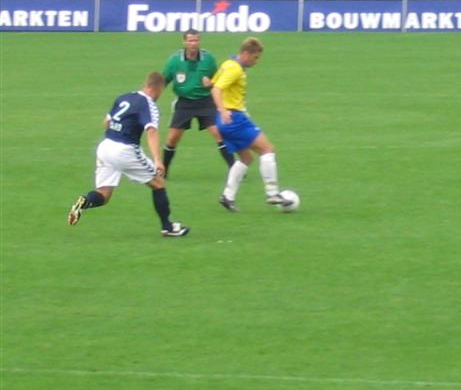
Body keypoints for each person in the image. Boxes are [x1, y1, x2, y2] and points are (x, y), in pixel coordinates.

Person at [67, 71, 190, 237]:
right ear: (159, 88)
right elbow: (151, 131)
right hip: (124, 150)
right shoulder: (149, 105)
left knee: (104, 194)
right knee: (158, 183)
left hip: (105, 146)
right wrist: (157, 160)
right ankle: (168, 227)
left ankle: (84, 202)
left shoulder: (123, 97)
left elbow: (106, 121)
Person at [212, 38, 293, 212]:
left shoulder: (228, 63)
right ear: (246, 53)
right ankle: (272, 193)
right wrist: (224, 109)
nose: (257, 61)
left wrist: (209, 86)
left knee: (246, 158)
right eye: (255, 57)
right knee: (267, 149)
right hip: (233, 118)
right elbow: (216, 89)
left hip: (222, 120)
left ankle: (228, 196)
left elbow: (213, 84)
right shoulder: (234, 69)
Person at [162, 29, 235, 178]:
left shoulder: (208, 59)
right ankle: (163, 171)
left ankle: (234, 169)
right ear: (184, 42)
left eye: (196, 40)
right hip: (184, 103)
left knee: (218, 133)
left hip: (205, 102)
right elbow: (164, 81)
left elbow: (218, 80)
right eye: (190, 41)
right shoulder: (174, 61)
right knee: (172, 138)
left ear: (199, 41)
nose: (193, 44)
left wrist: (210, 83)